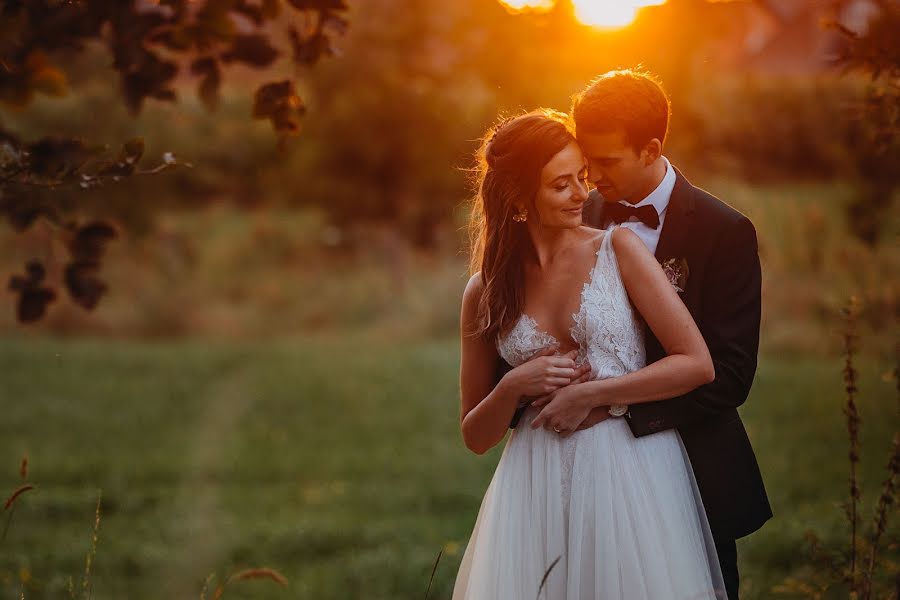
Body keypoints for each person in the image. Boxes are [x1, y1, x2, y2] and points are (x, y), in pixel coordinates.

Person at [454, 109, 726, 599]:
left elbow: (695, 363)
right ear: (518, 197)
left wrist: (595, 395)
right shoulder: (485, 290)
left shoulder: (617, 249)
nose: (584, 194)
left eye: (581, 177)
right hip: (532, 483)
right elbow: (475, 435)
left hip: (627, 470)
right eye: (562, 185)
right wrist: (514, 385)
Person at [568, 69, 772, 600]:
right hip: (591, 469)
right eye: (585, 159)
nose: (590, 177)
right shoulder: (579, 219)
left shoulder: (723, 231)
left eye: (607, 161)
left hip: (693, 465)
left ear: (651, 147)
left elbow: (729, 375)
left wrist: (618, 410)